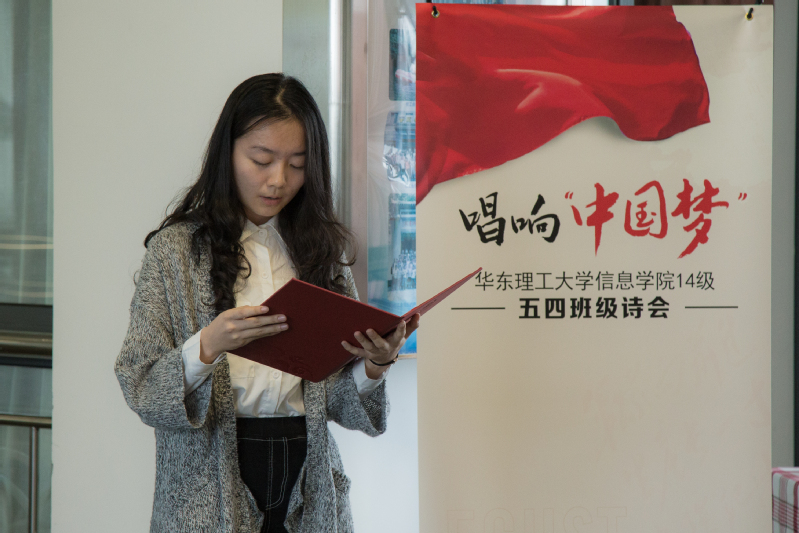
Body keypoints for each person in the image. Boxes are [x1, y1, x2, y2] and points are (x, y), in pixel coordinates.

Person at [115, 73, 420, 533]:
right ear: (227, 154)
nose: (278, 180)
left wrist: (375, 365)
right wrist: (207, 346)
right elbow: (139, 385)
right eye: (261, 160)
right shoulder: (175, 252)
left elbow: (337, 400)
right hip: (205, 488)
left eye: (297, 164)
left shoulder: (321, 251)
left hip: (308, 477)